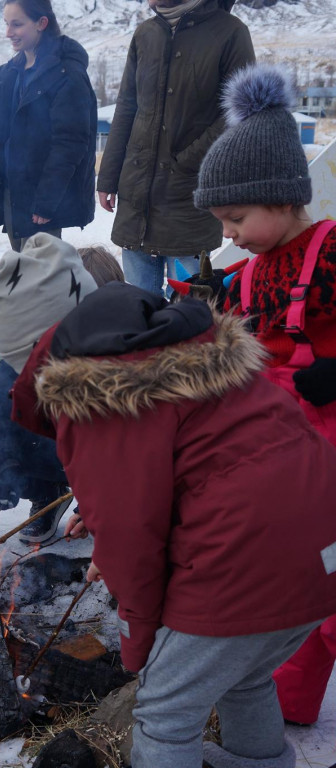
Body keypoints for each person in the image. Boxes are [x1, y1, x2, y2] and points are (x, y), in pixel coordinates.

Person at [11, 280, 336, 768]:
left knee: (165, 712)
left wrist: (139, 647)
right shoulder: (203, 359)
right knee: (244, 676)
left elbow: (132, 541)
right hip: (323, 551)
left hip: (244, 563)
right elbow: (194, 475)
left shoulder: (96, 399)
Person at [194, 63, 336, 728]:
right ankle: (288, 711)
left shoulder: (332, 257)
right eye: (222, 220)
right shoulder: (241, 282)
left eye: (236, 216)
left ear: (282, 198)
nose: (228, 233)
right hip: (280, 477)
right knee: (294, 597)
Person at [0, 234, 102, 542]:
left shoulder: (115, 364)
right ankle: (48, 494)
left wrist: (98, 508)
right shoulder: (28, 348)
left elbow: (124, 452)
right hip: (59, 451)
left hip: (104, 462)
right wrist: (8, 464)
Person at [96, 0, 254, 297]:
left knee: (189, 311)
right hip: (137, 198)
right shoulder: (146, 33)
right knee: (138, 307)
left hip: (190, 198)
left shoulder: (230, 33)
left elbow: (239, 112)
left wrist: (188, 163)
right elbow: (127, 107)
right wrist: (108, 177)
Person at [0, 0, 97, 253]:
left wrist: (46, 201)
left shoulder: (67, 74)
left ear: (41, 23)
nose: (8, 33)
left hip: (42, 199)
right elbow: (2, 136)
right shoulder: (8, 74)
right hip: (14, 193)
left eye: (17, 24)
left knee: (42, 279)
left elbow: (71, 142)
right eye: (6, 24)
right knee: (21, 273)